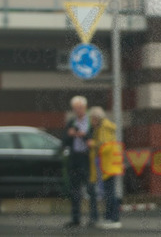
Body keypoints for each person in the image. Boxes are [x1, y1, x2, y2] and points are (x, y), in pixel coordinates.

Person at [62, 95, 98, 228]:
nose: (78, 110)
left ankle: (93, 217)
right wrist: (69, 135)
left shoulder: (91, 122)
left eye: (80, 108)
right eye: (76, 108)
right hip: (74, 157)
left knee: (90, 188)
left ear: (85, 107)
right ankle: (75, 218)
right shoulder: (71, 122)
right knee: (75, 190)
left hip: (87, 158)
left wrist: (83, 135)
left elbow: (94, 139)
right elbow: (64, 140)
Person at [88, 106, 124, 230]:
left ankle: (114, 218)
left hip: (108, 166)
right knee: (109, 193)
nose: (91, 121)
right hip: (108, 165)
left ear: (96, 118)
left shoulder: (104, 128)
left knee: (110, 193)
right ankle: (109, 217)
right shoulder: (102, 127)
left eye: (92, 119)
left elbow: (104, 146)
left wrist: (92, 144)